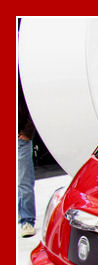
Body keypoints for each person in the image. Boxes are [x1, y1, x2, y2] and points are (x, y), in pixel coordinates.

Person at [18, 76, 36, 238]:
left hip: (20, 137)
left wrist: (27, 133)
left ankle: (27, 219)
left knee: (24, 180)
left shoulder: (21, 77)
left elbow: (33, 104)